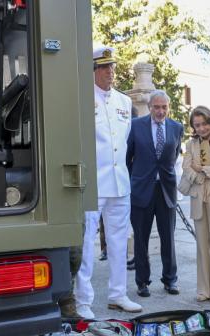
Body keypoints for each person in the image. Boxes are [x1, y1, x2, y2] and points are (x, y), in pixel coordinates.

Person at [75, 46, 142, 318]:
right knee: (87, 244)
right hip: (93, 182)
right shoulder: (80, 99)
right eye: (104, 67)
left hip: (119, 182)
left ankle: (118, 294)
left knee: (118, 241)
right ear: (92, 70)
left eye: (112, 67)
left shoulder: (124, 102)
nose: (110, 72)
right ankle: (83, 301)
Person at [127, 90, 184, 298]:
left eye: (164, 107)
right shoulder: (135, 126)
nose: (161, 111)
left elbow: (174, 155)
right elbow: (127, 158)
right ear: (150, 107)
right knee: (141, 239)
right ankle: (142, 281)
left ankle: (170, 280)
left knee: (168, 237)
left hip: (166, 191)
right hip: (141, 190)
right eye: (157, 107)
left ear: (168, 107)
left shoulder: (177, 128)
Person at [181, 106, 210, 303]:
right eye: (197, 125)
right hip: (198, 199)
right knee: (201, 247)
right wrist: (202, 174)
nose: (201, 128)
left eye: (204, 124)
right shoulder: (191, 144)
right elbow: (186, 168)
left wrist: (203, 169)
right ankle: (203, 290)